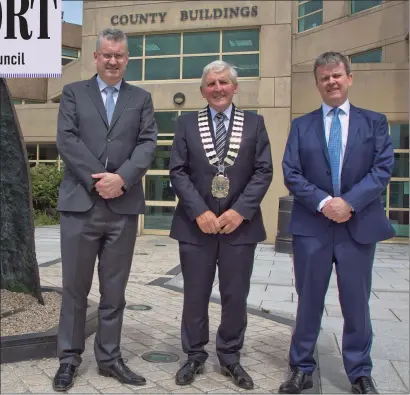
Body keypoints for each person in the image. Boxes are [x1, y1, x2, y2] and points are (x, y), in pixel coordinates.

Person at [280, 51, 395, 394]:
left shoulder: (374, 122)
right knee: (308, 301)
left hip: (357, 228)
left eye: (337, 75)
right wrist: (325, 202)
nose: (331, 81)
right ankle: (301, 368)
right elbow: (291, 172)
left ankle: (360, 371)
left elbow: (382, 169)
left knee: (356, 303)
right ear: (317, 83)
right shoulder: (302, 125)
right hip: (312, 228)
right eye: (324, 77)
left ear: (349, 78)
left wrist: (350, 203)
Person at [52, 28, 158, 391]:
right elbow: (66, 139)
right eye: (107, 55)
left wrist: (122, 179)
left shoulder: (141, 98)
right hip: (81, 205)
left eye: (120, 55)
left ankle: (109, 358)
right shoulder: (72, 93)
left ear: (127, 59)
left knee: (115, 290)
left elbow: (147, 144)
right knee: (75, 288)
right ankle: (68, 358)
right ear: (95, 57)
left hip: (122, 207)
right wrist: (99, 178)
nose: (113, 61)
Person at [169, 60, 273, 390]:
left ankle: (230, 356)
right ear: (203, 90)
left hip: (239, 227)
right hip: (195, 225)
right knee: (195, 295)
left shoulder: (254, 123)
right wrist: (199, 211)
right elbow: (178, 171)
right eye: (211, 83)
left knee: (235, 295)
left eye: (223, 82)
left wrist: (239, 211)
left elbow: (263, 171)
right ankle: (194, 356)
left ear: (234, 87)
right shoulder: (187, 123)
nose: (218, 88)